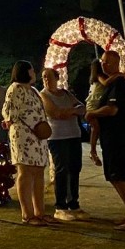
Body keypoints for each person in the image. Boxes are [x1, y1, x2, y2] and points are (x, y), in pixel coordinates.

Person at [86, 50, 125, 232]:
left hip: (116, 137)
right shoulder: (110, 83)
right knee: (115, 177)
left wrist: (92, 113)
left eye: (107, 62)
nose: (103, 65)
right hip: (112, 136)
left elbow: (112, 110)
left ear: (115, 63)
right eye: (102, 61)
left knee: (118, 177)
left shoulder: (118, 83)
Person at [1, 60, 50, 225]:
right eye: (31, 70)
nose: (34, 73)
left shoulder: (33, 90)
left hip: (38, 137)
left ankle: (40, 212)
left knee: (38, 173)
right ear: (25, 72)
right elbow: (8, 111)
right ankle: (27, 214)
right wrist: (9, 120)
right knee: (25, 172)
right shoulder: (16, 88)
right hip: (24, 136)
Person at [40, 67, 87, 221]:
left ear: (57, 78)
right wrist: (72, 111)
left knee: (74, 168)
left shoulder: (66, 93)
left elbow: (82, 108)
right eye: (44, 77)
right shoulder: (43, 95)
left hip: (74, 134)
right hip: (57, 137)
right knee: (61, 169)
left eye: (49, 77)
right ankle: (60, 206)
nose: (46, 80)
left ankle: (74, 203)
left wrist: (69, 111)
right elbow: (55, 113)